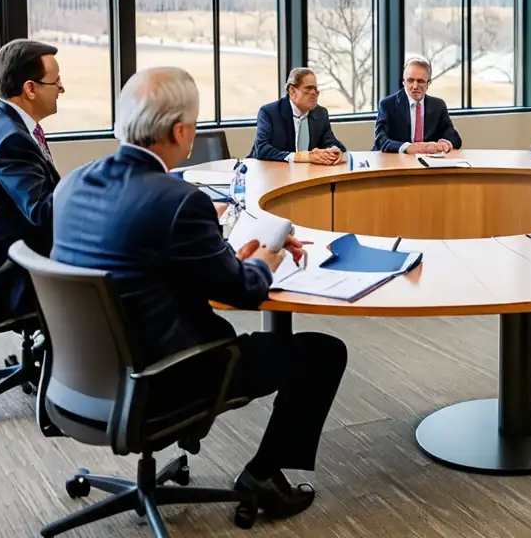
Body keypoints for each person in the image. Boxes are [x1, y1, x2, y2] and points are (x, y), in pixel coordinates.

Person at [52, 67, 347, 519]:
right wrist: (263, 259)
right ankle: (263, 476)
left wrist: (223, 250)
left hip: (83, 376)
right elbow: (244, 293)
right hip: (165, 375)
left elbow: (139, 257)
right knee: (323, 353)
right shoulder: (177, 200)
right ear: (180, 131)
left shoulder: (73, 183)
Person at [0, 39, 64, 317]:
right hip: (22, 275)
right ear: (30, 89)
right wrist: (88, 187)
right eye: (55, 82)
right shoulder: (11, 141)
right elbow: (43, 213)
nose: (62, 89)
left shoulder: (4, 124)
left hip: (16, 256)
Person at [250, 68, 346, 165]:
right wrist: (303, 156)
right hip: (269, 172)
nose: (314, 93)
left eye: (316, 89)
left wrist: (334, 151)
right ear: (292, 91)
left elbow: (330, 142)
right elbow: (262, 150)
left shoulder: (320, 113)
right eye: (309, 88)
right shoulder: (269, 112)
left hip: (306, 173)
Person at [374, 56, 462, 154]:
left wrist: (444, 143)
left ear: (428, 83)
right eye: (410, 80)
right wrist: (408, 148)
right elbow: (380, 140)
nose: (415, 86)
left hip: (427, 163)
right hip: (395, 160)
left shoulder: (438, 106)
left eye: (420, 81)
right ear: (404, 82)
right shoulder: (387, 105)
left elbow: (453, 135)